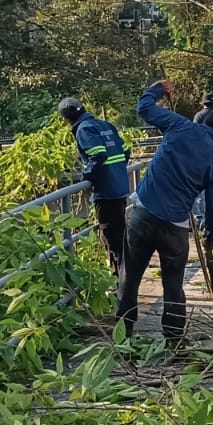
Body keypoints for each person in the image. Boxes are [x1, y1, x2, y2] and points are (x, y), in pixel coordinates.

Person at [124, 79, 213, 342]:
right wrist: (212, 236)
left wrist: (158, 88)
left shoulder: (178, 124)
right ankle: (173, 339)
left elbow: (144, 107)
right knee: (173, 283)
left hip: (142, 214)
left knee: (130, 277)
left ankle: (123, 332)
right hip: (174, 226)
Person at [59, 97, 132, 288]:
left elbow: (97, 155)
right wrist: (116, 172)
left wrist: (88, 176)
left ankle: (121, 286)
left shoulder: (84, 129)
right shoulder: (104, 124)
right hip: (119, 186)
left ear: (67, 119)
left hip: (106, 191)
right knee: (120, 233)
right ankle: (125, 281)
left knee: (112, 238)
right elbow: (125, 151)